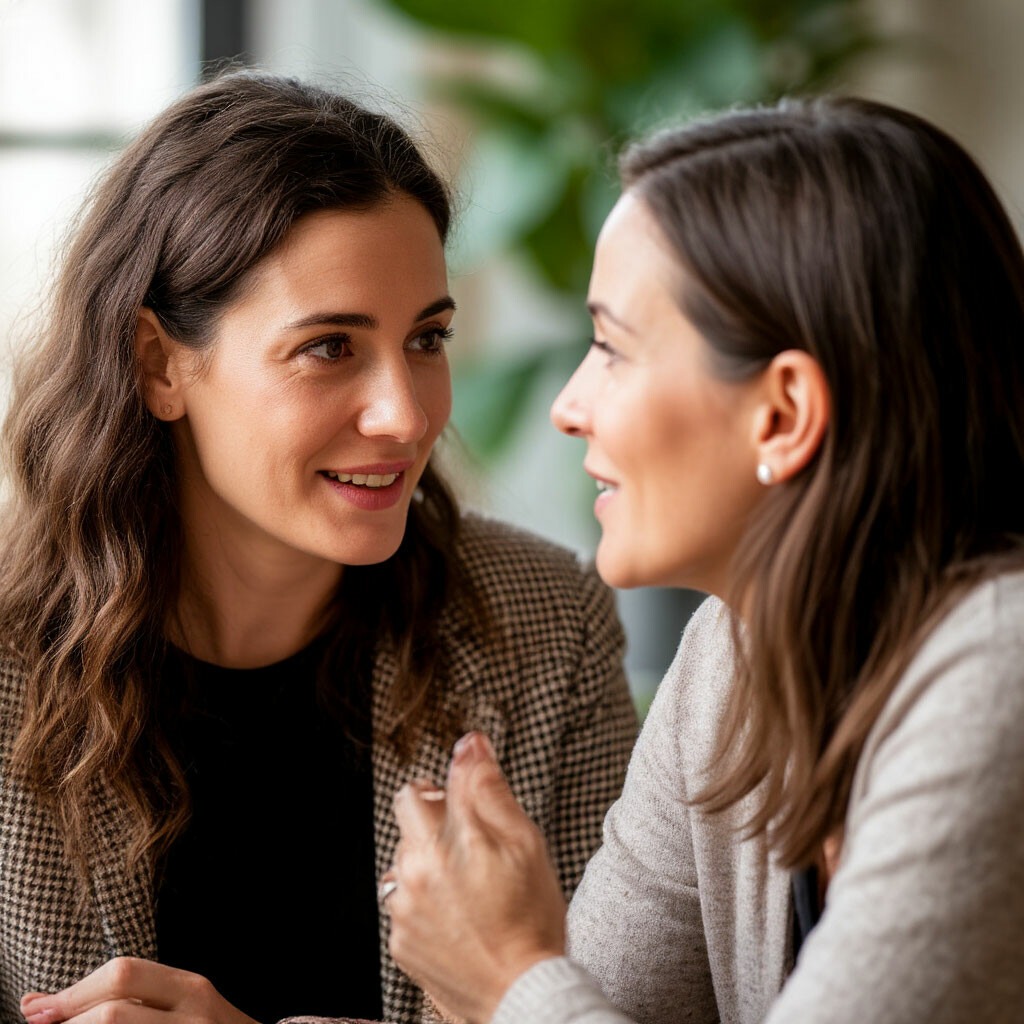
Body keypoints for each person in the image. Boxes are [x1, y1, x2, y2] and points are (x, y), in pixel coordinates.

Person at [0, 71, 638, 1024]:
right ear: (158, 364)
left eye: (427, 339)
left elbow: (617, 1012)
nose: (406, 415)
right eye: (330, 347)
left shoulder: (546, 624)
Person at [378, 96, 1024, 1024]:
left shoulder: (999, 674)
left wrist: (504, 973)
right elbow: (603, 1004)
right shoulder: (731, 657)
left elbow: (540, 1004)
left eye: (612, 348)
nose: (568, 406)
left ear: (783, 415)